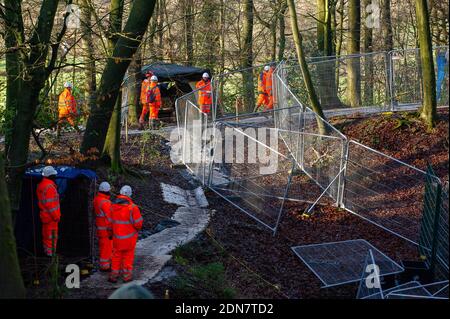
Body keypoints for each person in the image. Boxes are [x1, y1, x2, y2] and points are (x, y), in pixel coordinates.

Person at [109, 185, 143, 283]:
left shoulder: (113, 206)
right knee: (128, 258)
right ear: (130, 195)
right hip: (129, 240)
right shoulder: (133, 208)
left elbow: (109, 223)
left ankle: (113, 276)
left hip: (117, 239)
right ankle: (127, 277)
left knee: (116, 256)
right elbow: (138, 224)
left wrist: (110, 233)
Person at [36, 166, 61, 257]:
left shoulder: (41, 185)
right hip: (51, 218)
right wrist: (56, 216)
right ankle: (51, 256)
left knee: (46, 236)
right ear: (51, 175)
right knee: (52, 237)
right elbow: (51, 206)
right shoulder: (50, 187)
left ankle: (47, 253)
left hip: (44, 216)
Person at [93, 182, 113, 271]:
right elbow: (110, 218)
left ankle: (106, 264)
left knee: (103, 247)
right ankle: (105, 266)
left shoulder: (96, 199)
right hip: (106, 230)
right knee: (107, 248)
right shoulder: (106, 202)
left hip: (100, 228)